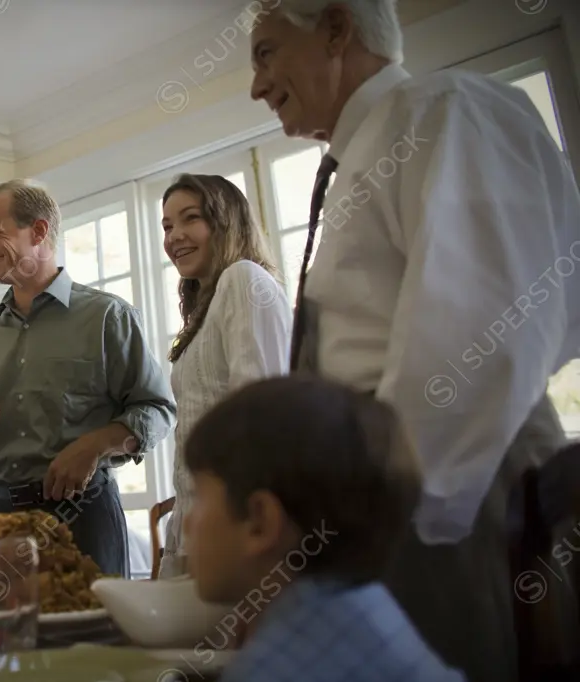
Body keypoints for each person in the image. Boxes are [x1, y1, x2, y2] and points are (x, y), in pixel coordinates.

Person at [248, 1, 580, 679]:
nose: (255, 86)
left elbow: (481, 346)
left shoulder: (445, 110)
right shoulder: (369, 150)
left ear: (337, 29)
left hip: (453, 494)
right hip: (398, 496)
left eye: (266, 52)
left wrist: (366, 526)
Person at [0, 179, 177, 578]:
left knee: (92, 639)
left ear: (38, 231)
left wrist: (94, 445)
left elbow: (158, 410)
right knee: (1, 640)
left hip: (83, 518)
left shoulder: (109, 317)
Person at [183, 375, 466, 682]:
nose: (187, 523)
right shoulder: (366, 606)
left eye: (198, 496)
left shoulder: (273, 669)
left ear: (260, 522)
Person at [158, 174, 291, 579]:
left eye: (190, 218)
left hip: (235, 531)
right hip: (201, 525)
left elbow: (261, 420)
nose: (174, 236)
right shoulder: (210, 304)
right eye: (166, 226)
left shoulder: (244, 279)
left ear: (225, 221)